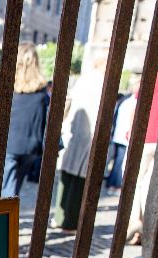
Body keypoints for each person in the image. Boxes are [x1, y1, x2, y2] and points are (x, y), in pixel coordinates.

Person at [127, 41, 158, 244]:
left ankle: (133, 222)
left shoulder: (155, 77)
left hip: (145, 136)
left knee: (134, 181)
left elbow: (136, 106)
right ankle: (146, 223)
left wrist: (130, 129)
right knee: (150, 183)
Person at [57, 56, 107, 232]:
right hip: (88, 133)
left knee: (68, 174)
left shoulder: (83, 79)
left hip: (73, 130)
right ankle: (69, 221)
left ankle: (59, 217)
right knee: (79, 178)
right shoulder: (101, 82)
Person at [1, 43, 49, 197]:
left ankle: (5, 219)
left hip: (10, 144)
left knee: (7, 189)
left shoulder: (9, 87)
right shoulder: (41, 92)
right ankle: (10, 216)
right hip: (31, 145)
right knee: (15, 187)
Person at [105, 84, 137, 194]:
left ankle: (110, 183)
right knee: (119, 161)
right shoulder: (132, 102)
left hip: (118, 135)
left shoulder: (124, 101)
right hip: (124, 137)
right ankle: (114, 185)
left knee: (116, 161)